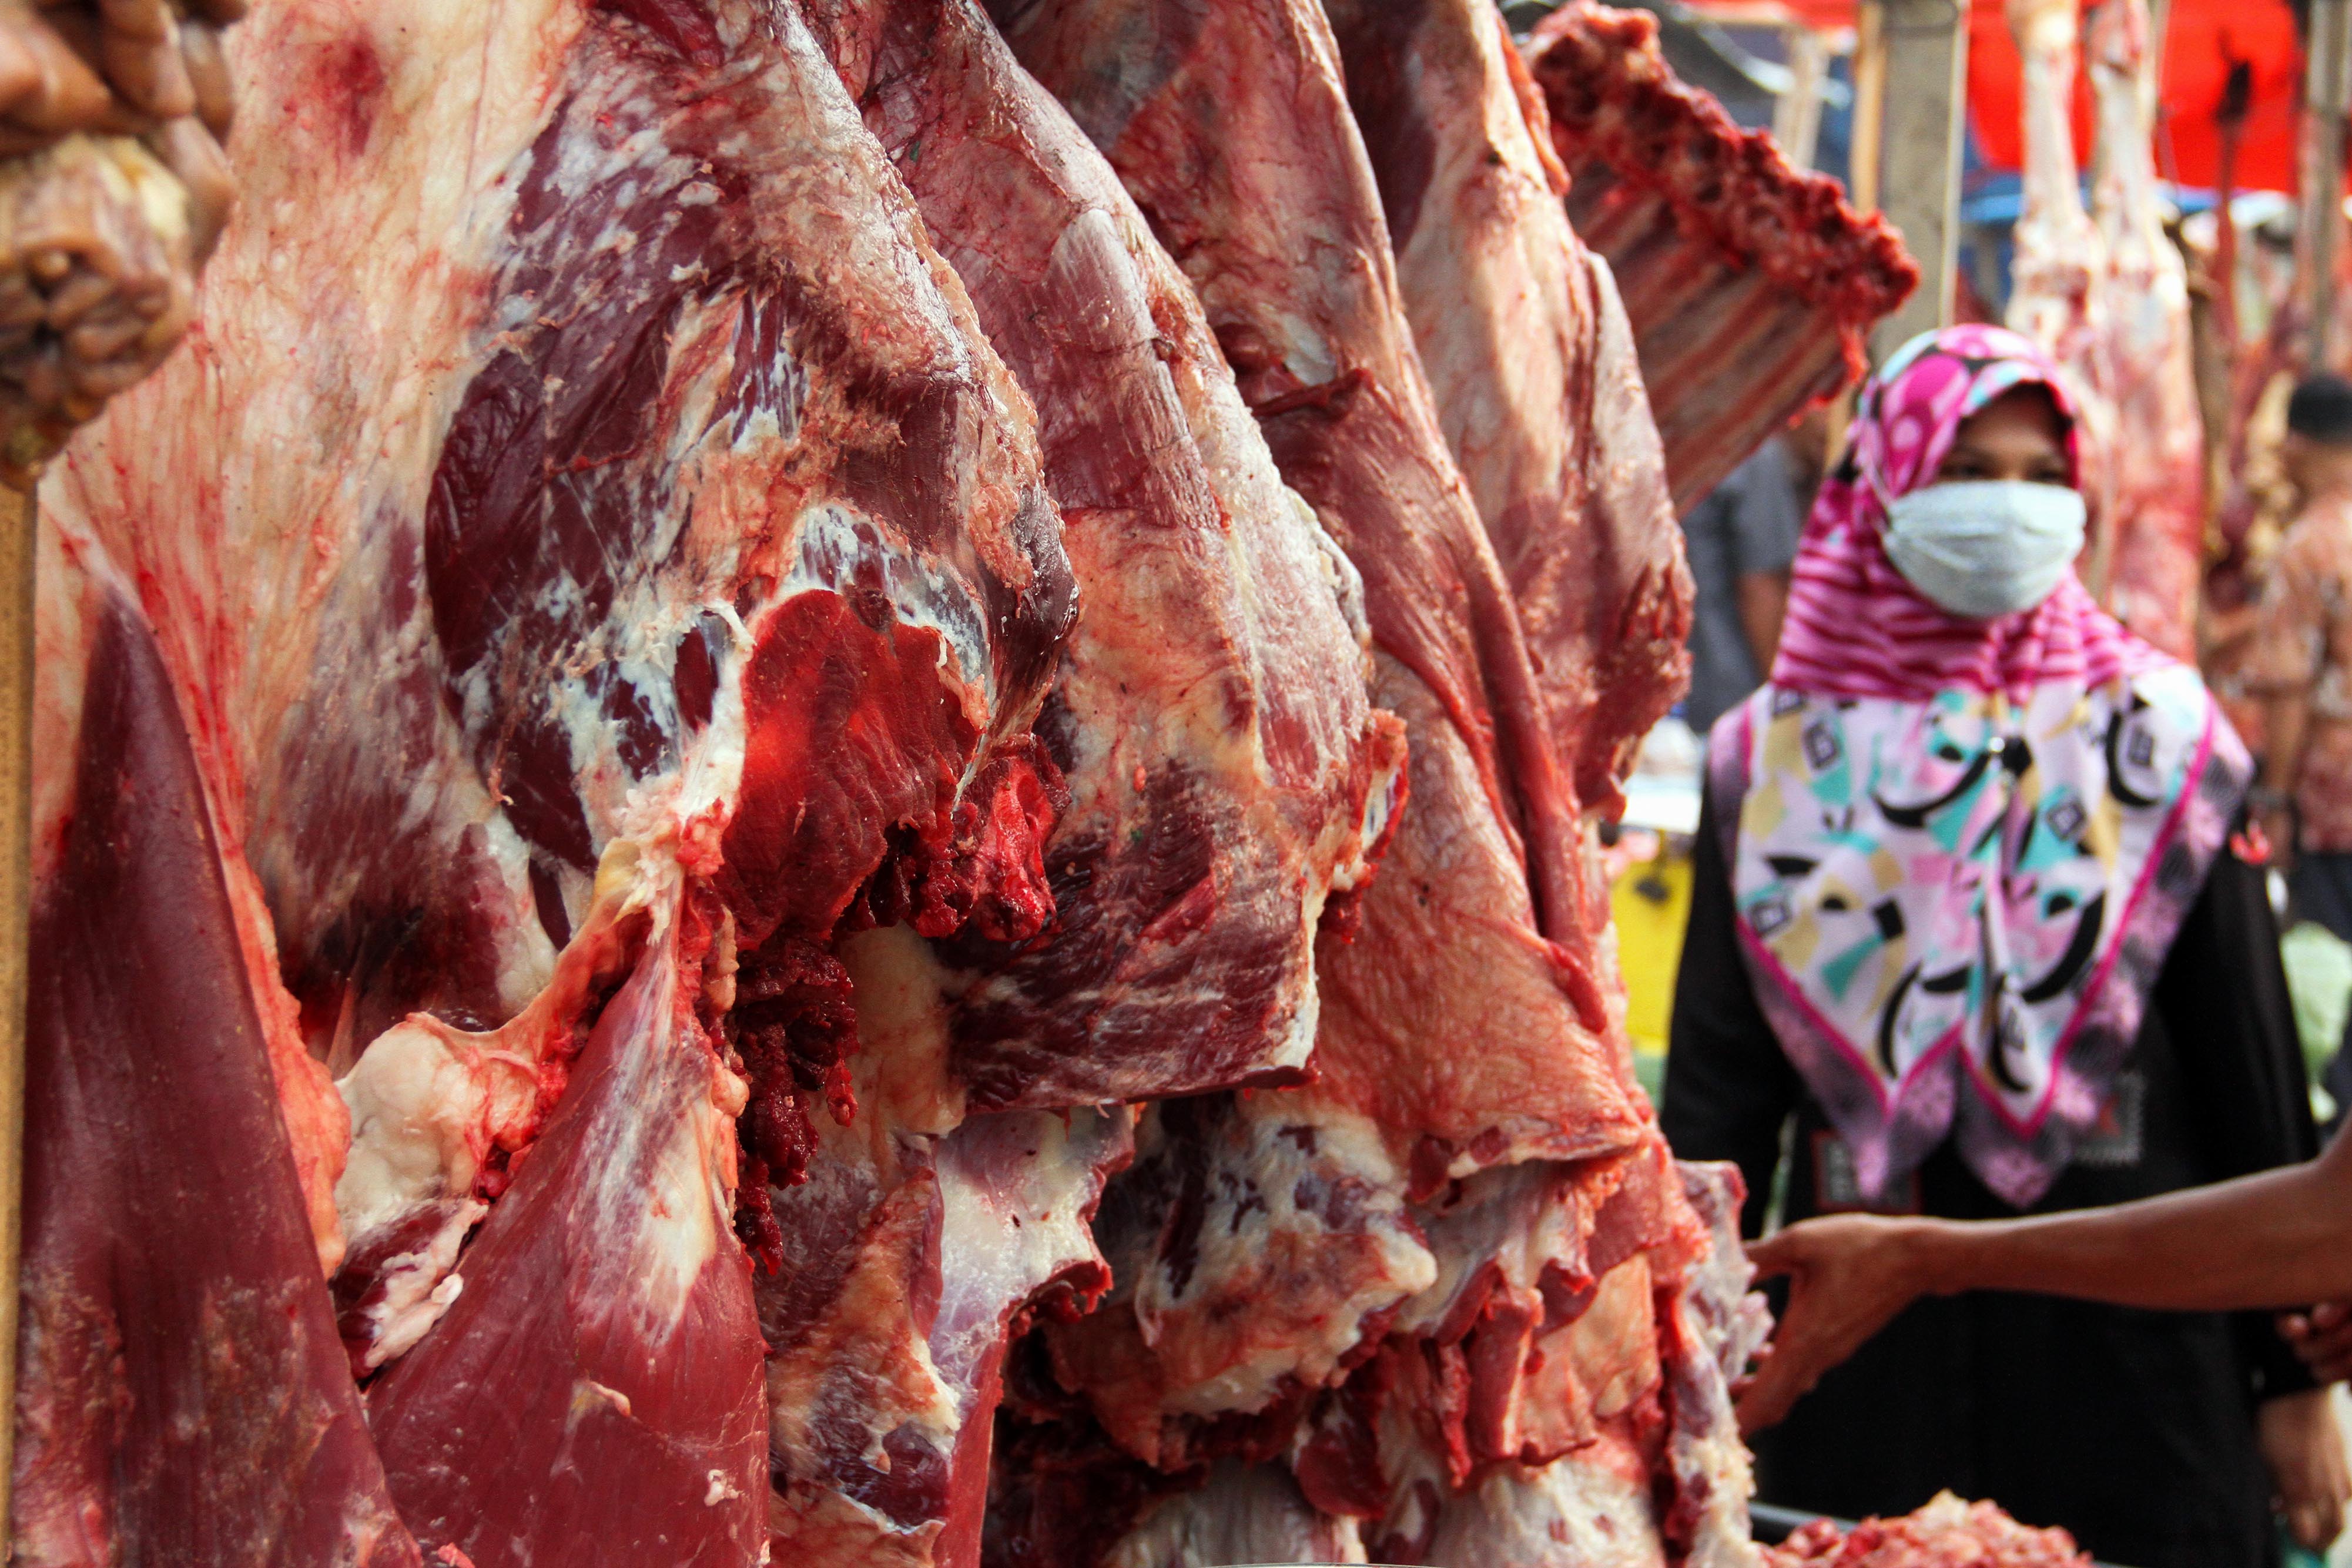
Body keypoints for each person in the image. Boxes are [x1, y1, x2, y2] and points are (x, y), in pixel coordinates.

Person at [1663, 325, 2346, 1567]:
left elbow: (2250, 1079)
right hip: (1856, 1357)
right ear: (1880, 485)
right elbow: (1717, 1100)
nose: (2009, 507)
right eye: (1969, 469)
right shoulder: (1770, 764)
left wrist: (2291, 1383)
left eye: (2041, 477)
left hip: (2137, 1344)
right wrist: (1680, 1354)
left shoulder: (2160, 738)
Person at [2249, 374, 2352, 926]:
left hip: (2335, 804)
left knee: (2328, 958)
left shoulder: (2311, 545)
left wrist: (2274, 800)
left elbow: (2289, 686)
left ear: (2298, 445)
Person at [1679, 433, 1805, 734]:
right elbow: (1762, 588)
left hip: (1660, 708)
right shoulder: (1751, 448)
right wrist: (1784, 713)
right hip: (1727, 706)